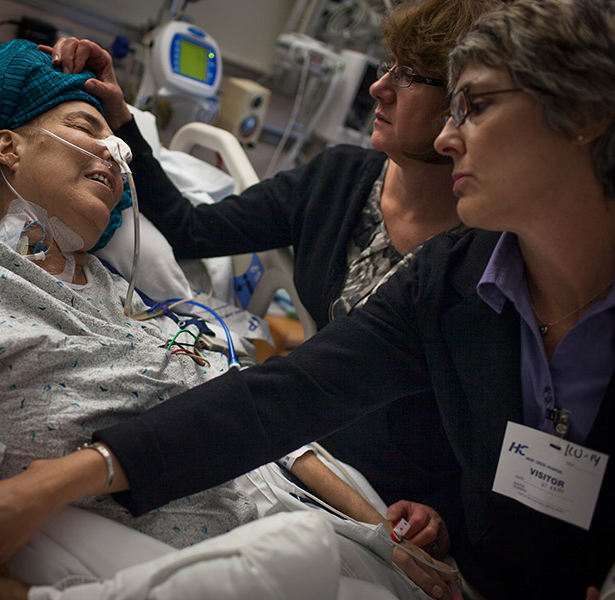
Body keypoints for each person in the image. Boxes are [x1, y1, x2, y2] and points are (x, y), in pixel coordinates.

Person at [0, 0, 615, 598]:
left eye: (477, 106)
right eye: (450, 105)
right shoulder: (456, 276)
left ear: (587, 116)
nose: (453, 136)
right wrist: (39, 488)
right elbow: (282, 396)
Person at [0, 30, 456, 600]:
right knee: (299, 556)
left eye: (121, 145)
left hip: (299, 518)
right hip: (208, 555)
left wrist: (379, 531)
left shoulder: (136, 308)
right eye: (87, 130)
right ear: (8, 148)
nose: (115, 153)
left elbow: (265, 421)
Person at [48, 0, 501, 540]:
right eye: (387, 67)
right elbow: (194, 230)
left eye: (408, 77)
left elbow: (493, 439)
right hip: (293, 440)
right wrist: (122, 120)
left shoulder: (484, 260)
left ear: (465, 105)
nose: (379, 89)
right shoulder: (338, 181)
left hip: (397, 499)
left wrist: (447, 517)